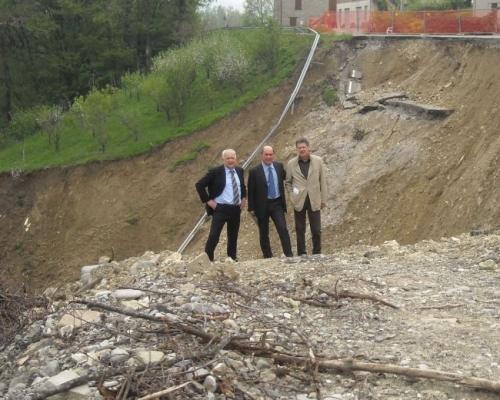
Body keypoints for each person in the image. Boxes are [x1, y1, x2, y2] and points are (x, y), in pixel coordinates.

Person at [195, 149, 246, 261]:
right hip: (220, 208)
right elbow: (199, 185)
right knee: (214, 234)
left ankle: (232, 257)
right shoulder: (215, 172)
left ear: (236, 159)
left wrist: (244, 197)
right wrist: (208, 200)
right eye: (228, 158)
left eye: (232, 158)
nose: (230, 160)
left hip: (235, 208)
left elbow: (242, 185)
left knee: (233, 235)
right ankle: (207, 258)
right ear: (223, 160)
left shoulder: (239, 171)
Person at [247, 146, 293, 258]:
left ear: (274, 155)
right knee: (263, 232)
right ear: (261, 155)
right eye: (266, 154)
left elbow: (287, 179)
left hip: (277, 203)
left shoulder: (278, 166)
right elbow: (251, 190)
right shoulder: (254, 171)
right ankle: (267, 256)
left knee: (282, 228)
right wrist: (251, 208)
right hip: (262, 205)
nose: (268, 157)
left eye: (270, 154)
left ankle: (289, 254)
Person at [285, 138, 327, 256]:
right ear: (296, 149)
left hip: (314, 199)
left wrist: (323, 200)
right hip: (299, 200)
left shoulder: (318, 161)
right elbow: (288, 182)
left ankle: (317, 252)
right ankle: (301, 253)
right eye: (299, 148)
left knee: (316, 229)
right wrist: (292, 195)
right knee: (300, 229)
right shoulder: (291, 163)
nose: (302, 150)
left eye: (304, 147)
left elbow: (322, 181)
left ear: (308, 147)